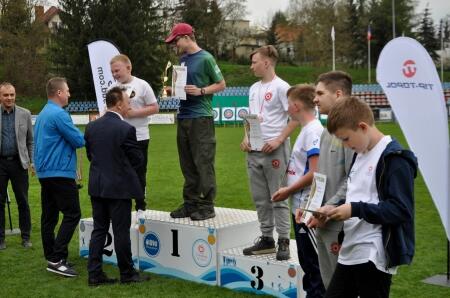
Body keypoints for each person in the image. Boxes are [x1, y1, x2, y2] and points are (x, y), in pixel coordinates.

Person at [321, 96, 417, 298]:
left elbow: (401, 210)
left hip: (373, 252)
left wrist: (355, 209)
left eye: (346, 139)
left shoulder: (395, 158)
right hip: (350, 248)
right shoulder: (360, 152)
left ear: (363, 127)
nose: (345, 146)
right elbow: (357, 194)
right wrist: (333, 208)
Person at [85, 87, 150, 286]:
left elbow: (90, 156)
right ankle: (127, 274)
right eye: (127, 102)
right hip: (119, 188)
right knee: (121, 232)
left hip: (97, 186)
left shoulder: (91, 127)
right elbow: (138, 160)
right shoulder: (126, 129)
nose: (129, 104)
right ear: (119, 104)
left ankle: (94, 274)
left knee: (99, 230)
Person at [240, 45, 299, 261]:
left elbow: (296, 117)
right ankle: (267, 239)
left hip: (275, 150)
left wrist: (279, 139)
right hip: (254, 150)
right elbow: (253, 118)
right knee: (260, 199)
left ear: (267, 62)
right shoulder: (253, 88)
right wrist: (246, 137)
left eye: (254, 62)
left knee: (278, 196)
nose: (251, 66)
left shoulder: (283, 87)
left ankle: (283, 240)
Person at [165, 23, 226, 220]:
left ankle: (207, 205)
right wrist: (171, 91)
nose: (174, 45)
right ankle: (191, 203)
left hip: (201, 117)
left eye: (175, 41)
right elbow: (180, 88)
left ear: (185, 37)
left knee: (203, 162)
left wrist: (201, 91)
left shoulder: (206, 58)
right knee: (187, 163)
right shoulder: (182, 60)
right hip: (183, 116)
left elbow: (221, 84)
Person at [271, 84, 325, 296]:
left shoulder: (313, 131)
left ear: (295, 105)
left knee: (314, 265)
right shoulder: (307, 129)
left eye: (287, 103)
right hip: (300, 207)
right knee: (307, 263)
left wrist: (288, 190)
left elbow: (315, 172)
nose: (286, 107)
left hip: (307, 208)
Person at [306, 71, 354, 288]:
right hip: (323, 221)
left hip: (341, 224)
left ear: (338, 94)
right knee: (329, 285)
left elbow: (353, 179)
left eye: (319, 93)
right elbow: (320, 177)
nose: (314, 99)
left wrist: (330, 206)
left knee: (343, 288)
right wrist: (311, 206)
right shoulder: (326, 131)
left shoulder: (352, 132)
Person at [34, 77, 85, 277]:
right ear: (59, 93)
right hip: (60, 172)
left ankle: (53, 256)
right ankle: (56, 260)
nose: (70, 94)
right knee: (72, 214)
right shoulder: (59, 114)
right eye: (68, 91)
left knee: (49, 216)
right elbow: (78, 140)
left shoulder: (43, 114)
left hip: (46, 172)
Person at [109, 54, 159, 213]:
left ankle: (140, 206)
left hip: (140, 137)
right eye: (112, 72)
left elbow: (155, 107)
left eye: (117, 70)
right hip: (118, 138)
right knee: (119, 172)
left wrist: (134, 113)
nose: (115, 74)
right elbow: (108, 110)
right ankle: (122, 206)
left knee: (139, 173)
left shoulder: (142, 85)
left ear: (128, 67)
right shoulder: (113, 88)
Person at [0, 82, 33, 250]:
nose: (9, 98)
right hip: (0, 164)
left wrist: (31, 161)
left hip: (19, 164)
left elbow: (30, 141)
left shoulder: (24, 114)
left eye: (12, 94)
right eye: (6, 95)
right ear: (0, 96)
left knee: (23, 201)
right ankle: (1, 240)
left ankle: (26, 237)